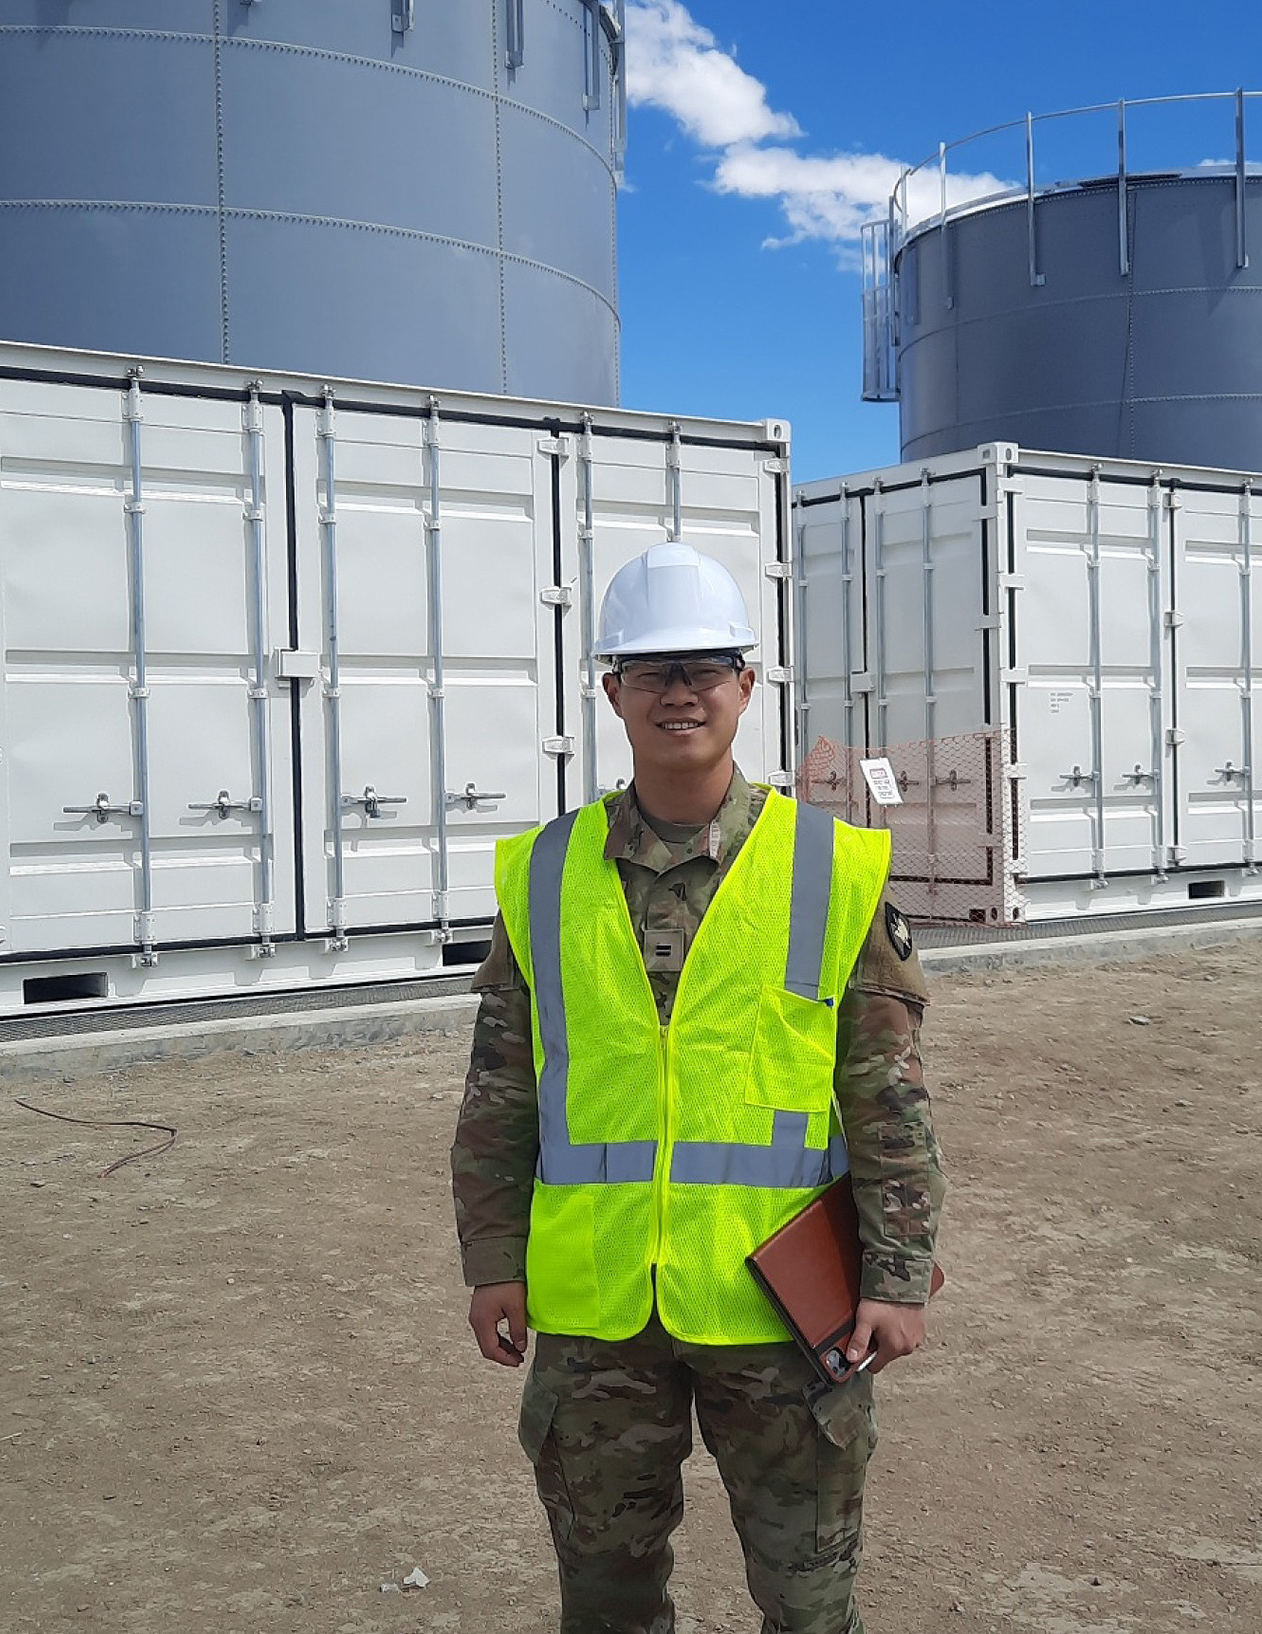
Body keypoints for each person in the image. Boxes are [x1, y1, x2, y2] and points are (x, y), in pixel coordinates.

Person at [450, 539, 946, 1634]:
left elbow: (888, 1097)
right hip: (596, 1310)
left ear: (747, 685)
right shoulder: (544, 869)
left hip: (778, 1306)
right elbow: (499, 1092)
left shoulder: (831, 866)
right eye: (652, 669)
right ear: (613, 688)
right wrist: (493, 1259)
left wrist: (899, 1274)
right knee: (607, 1600)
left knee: (810, 1603)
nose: (681, 691)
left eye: (706, 666)